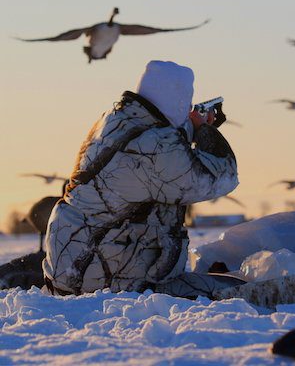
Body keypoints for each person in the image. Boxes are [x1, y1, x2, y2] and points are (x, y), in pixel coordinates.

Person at [43, 60, 239, 296]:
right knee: (237, 291)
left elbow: (162, 148)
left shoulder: (116, 122)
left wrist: (192, 127)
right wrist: (206, 131)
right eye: (185, 102)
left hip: (78, 268)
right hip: (106, 278)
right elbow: (216, 179)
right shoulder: (155, 144)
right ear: (178, 99)